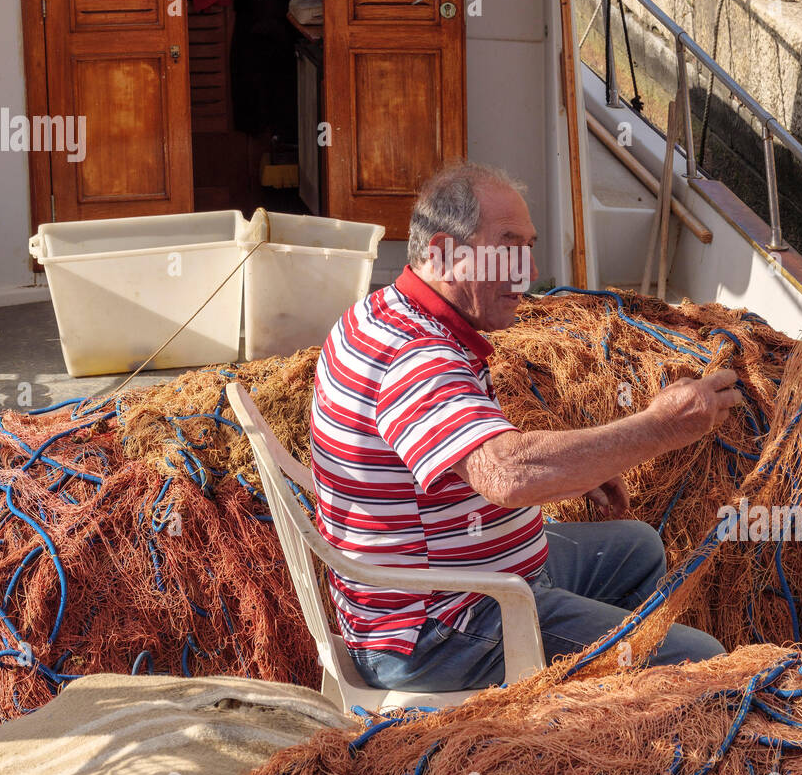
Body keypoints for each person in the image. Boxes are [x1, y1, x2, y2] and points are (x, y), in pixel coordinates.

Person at [310, 162, 740, 691]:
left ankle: (600, 702)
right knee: (704, 663)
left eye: (529, 247)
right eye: (508, 245)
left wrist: (586, 465)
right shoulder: (415, 355)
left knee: (638, 548)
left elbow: (477, 451)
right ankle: (597, 727)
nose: (526, 270)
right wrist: (660, 427)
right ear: (445, 254)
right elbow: (507, 474)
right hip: (442, 627)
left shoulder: (382, 312)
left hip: (465, 580)